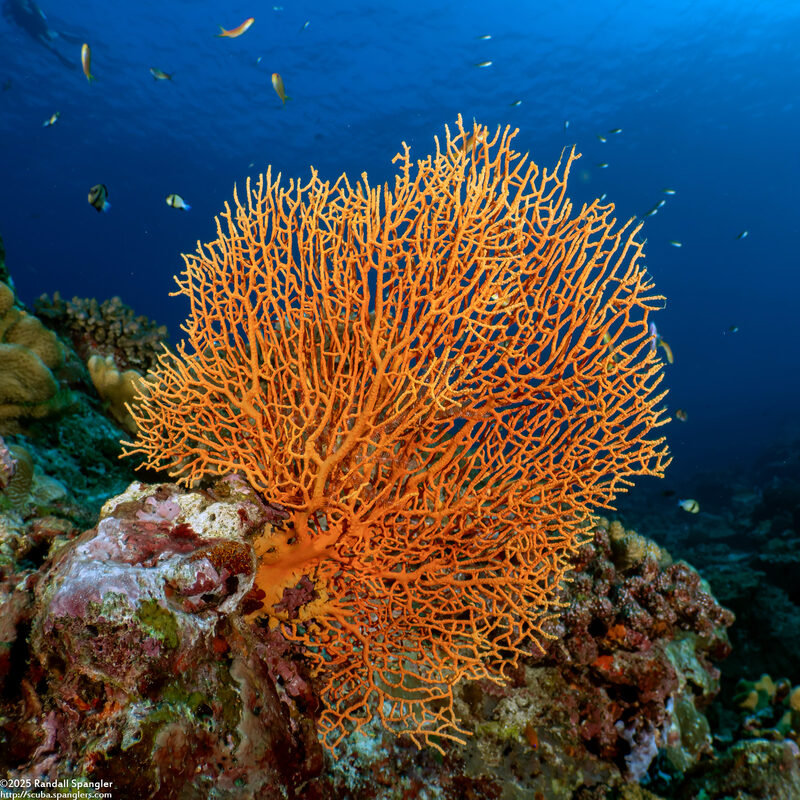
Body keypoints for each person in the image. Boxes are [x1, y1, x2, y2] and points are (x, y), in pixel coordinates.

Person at [2, 0, 83, 70]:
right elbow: (7, 15)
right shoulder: (9, 4)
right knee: (44, 42)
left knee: (48, 37)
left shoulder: (11, 4)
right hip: (28, 26)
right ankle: (61, 55)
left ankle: (61, 35)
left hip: (33, 20)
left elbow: (33, 6)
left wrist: (41, 16)